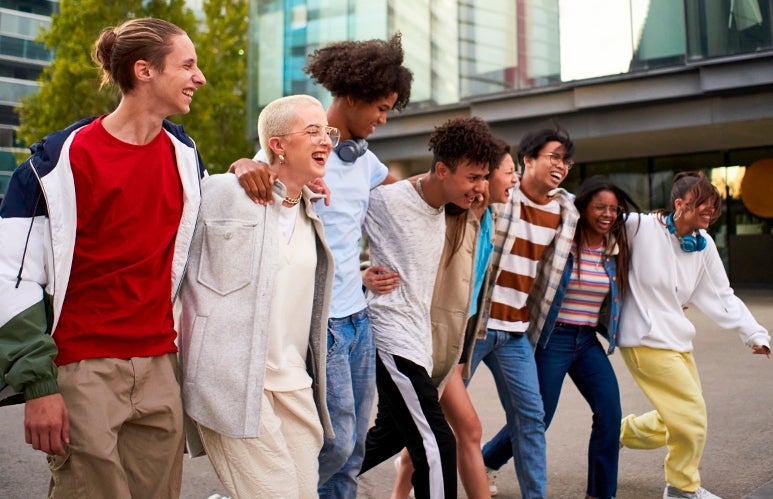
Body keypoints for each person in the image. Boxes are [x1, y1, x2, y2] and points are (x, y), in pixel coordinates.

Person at [0, 18, 206, 498]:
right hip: (81, 368)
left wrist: (251, 166)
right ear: (144, 71)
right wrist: (39, 386)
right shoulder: (55, 163)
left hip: (159, 366)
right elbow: (12, 276)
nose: (199, 78)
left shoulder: (186, 157)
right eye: (188, 65)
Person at [230, 34, 413, 498]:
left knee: (351, 452)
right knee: (332, 443)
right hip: (321, 324)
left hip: (359, 321)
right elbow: (253, 176)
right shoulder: (298, 147)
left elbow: (401, 199)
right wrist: (238, 166)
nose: (383, 118)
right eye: (380, 107)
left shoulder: (365, 162)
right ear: (352, 96)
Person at [178, 94, 336, 498]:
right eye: (313, 130)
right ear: (279, 145)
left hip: (294, 385)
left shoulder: (309, 211)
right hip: (232, 383)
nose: (326, 140)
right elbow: (174, 266)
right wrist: (242, 165)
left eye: (327, 131)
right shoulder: (224, 192)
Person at [358, 117, 498, 499]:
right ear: (441, 170)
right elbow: (325, 228)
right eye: (472, 177)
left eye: (484, 177)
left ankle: (301, 484)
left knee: (386, 439)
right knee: (437, 446)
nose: (480, 187)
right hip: (390, 337)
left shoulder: (449, 208)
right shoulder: (386, 199)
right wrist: (360, 277)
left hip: (420, 343)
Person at [617, 171, 770, 499]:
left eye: (713, 206)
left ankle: (613, 434)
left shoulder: (703, 245)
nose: (710, 211)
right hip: (643, 338)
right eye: (703, 204)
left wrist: (754, 332)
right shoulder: (640, 227)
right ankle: (681, 488)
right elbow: (596, 216)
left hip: (677, 339)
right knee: (692, 415)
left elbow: (722, 294)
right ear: (679, 204)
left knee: (674, 417)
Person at [385, 138, 518, 499]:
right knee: (466, 431)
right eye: (508, 172)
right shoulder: (450, 216)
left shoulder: (487, 219)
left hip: (455, 341)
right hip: (425, 339)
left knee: (420, 434)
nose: (515, 179)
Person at [467, 124, 579, 499]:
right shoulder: (499, 197)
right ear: (527, 159)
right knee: (435, 416)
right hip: (474, 328)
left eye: (566, 160)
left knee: (532, 418)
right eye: (553, 157)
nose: (561, 165)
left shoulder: (566, 213)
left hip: (515, 332)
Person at [534, 176, 637, 499]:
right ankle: (485, 461)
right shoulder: (564, 242)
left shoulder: (616, 249)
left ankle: (600, 494)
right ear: (584, 208)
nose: (608, 214)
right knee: (538, 418)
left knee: (609, 414)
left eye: (614, 210)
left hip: (587, 341)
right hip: (553, 339)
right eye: (600, 207)